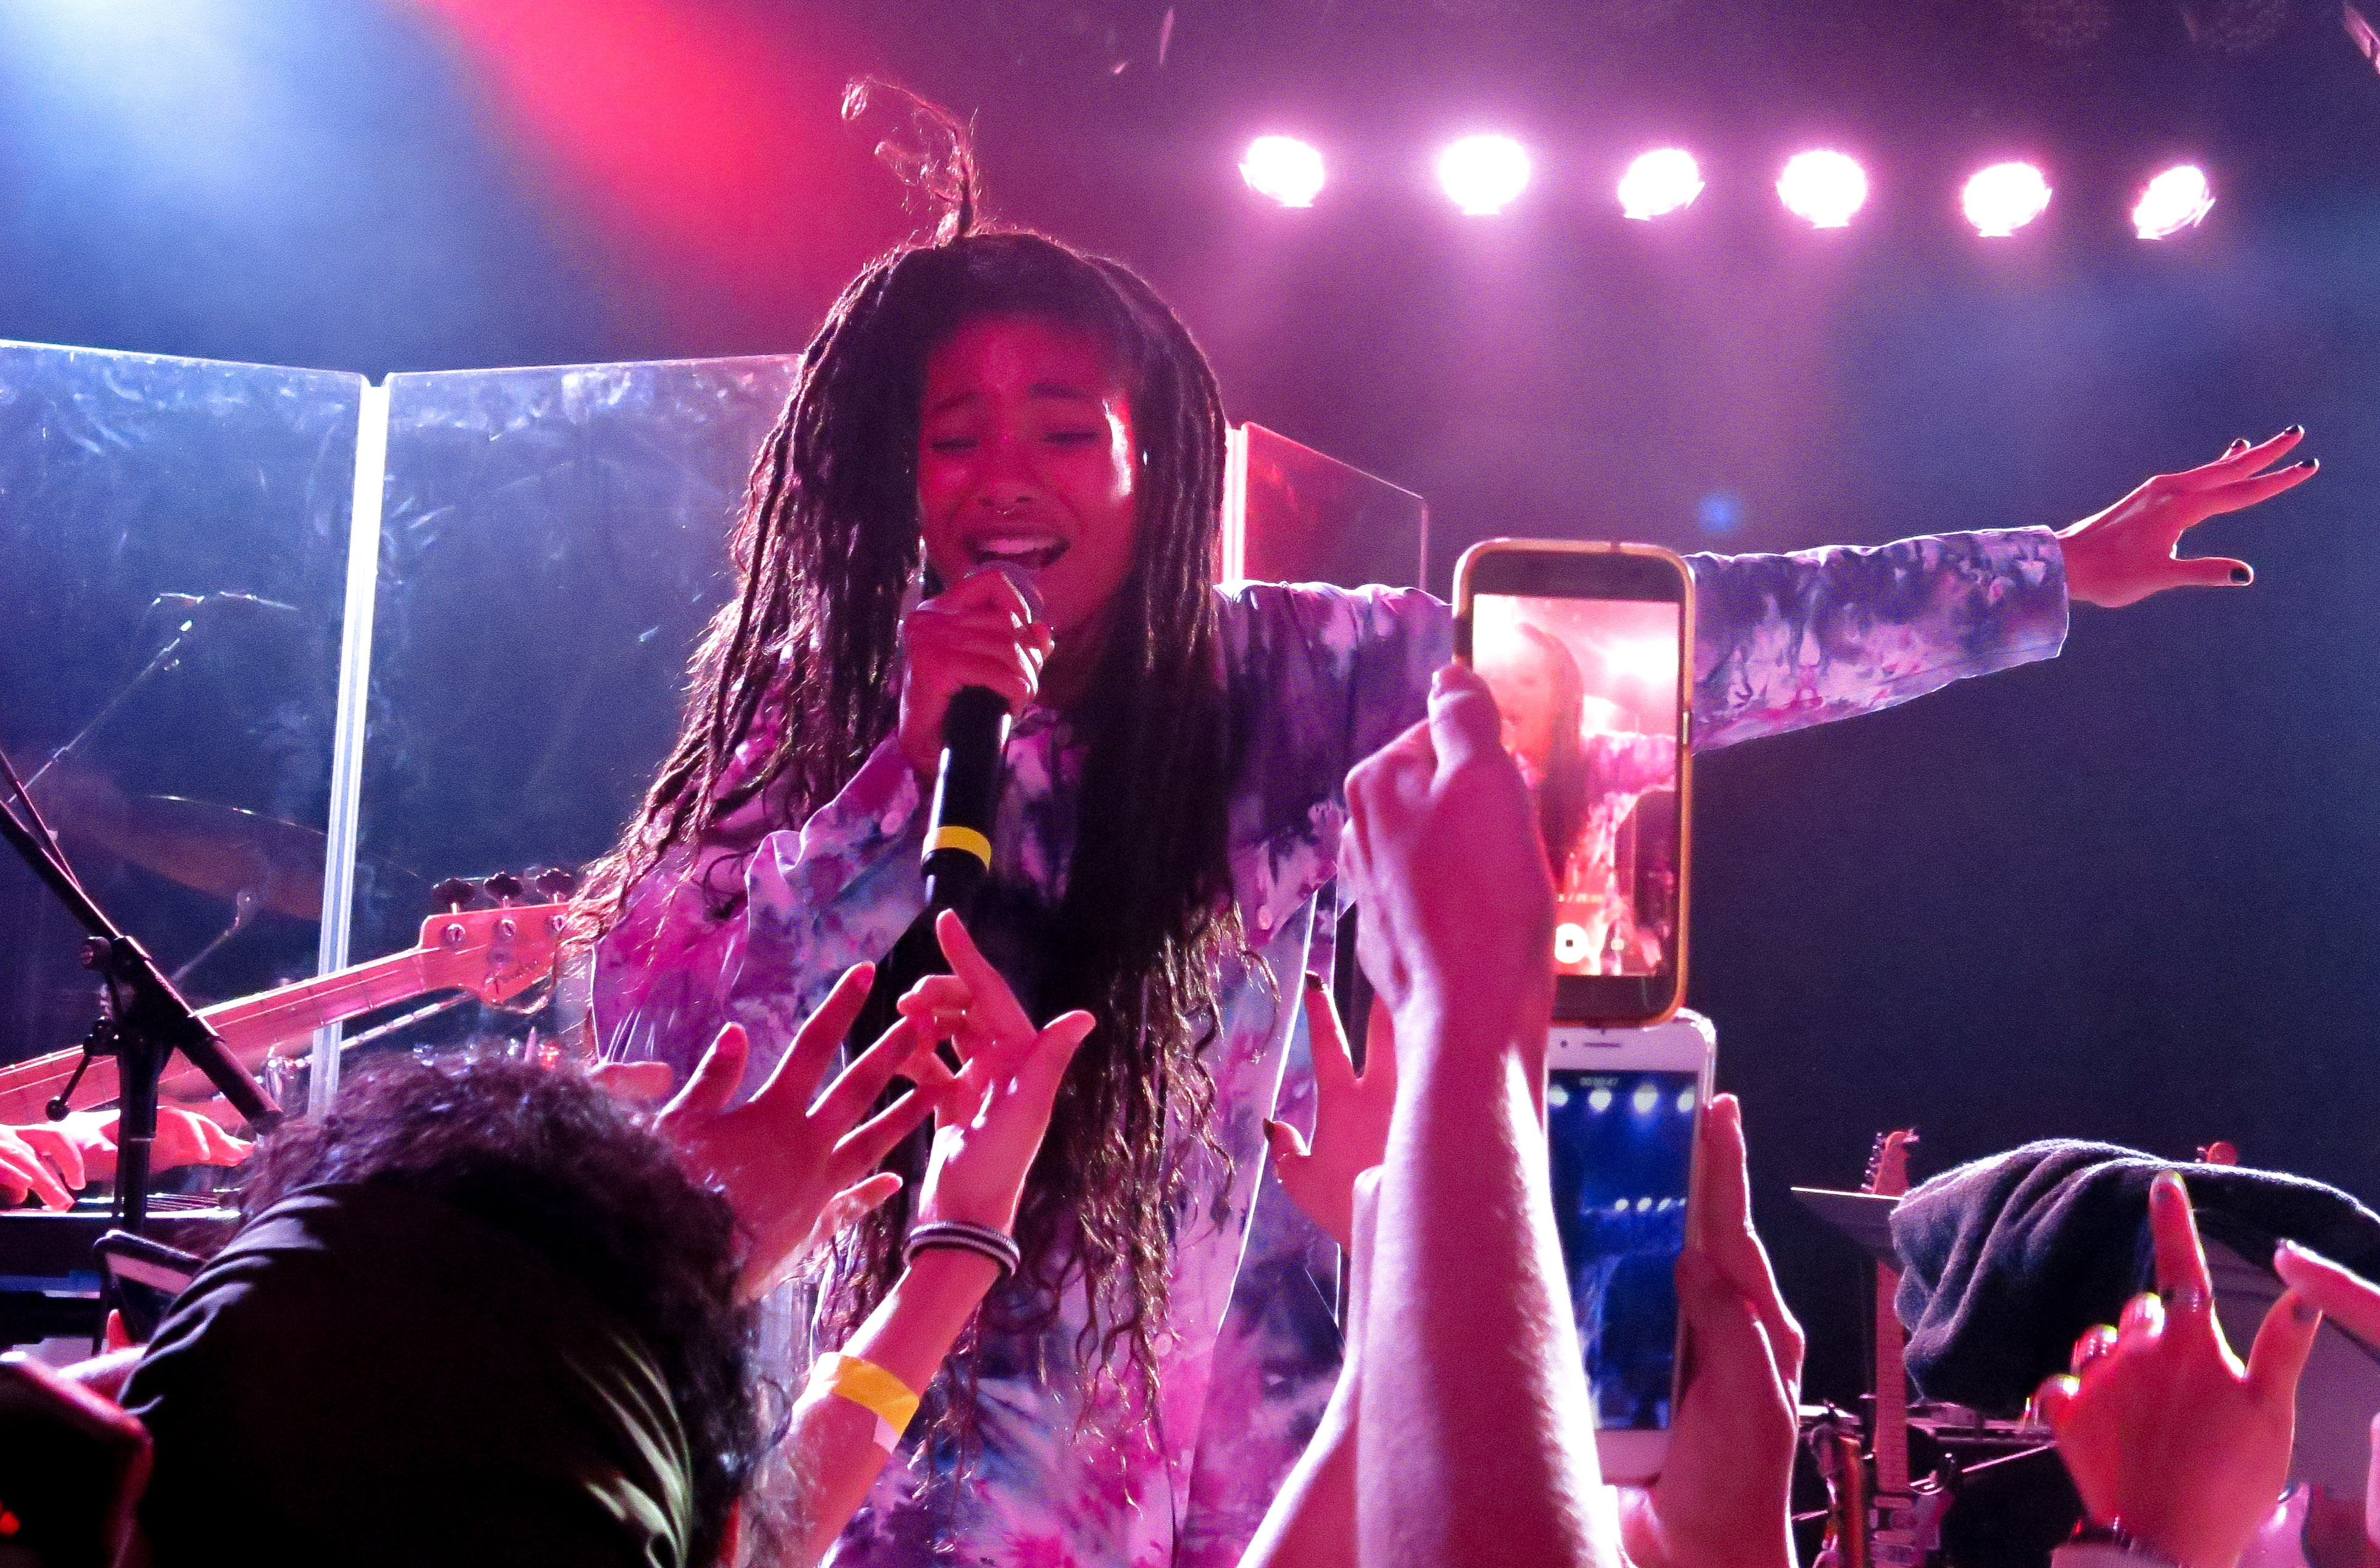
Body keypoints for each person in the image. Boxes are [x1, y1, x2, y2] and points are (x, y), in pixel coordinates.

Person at [582, 111, 2318, 1565]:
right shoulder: (819, 723)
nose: (1006, 477)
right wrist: (897, 785)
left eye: (1064, 432)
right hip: (864, 1473)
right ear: (891, 482)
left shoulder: (1272, 682)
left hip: (1210, 1481)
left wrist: (2045, 575)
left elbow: (1671, 648)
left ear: (1155, 469)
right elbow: (655, 1041)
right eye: (955, 440)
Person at [1246, 663, 1801, 1568]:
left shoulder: (1602, 775)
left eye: (1538, 682)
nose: (1513, 697)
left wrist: (1456, 1024)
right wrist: (1731, 1552)